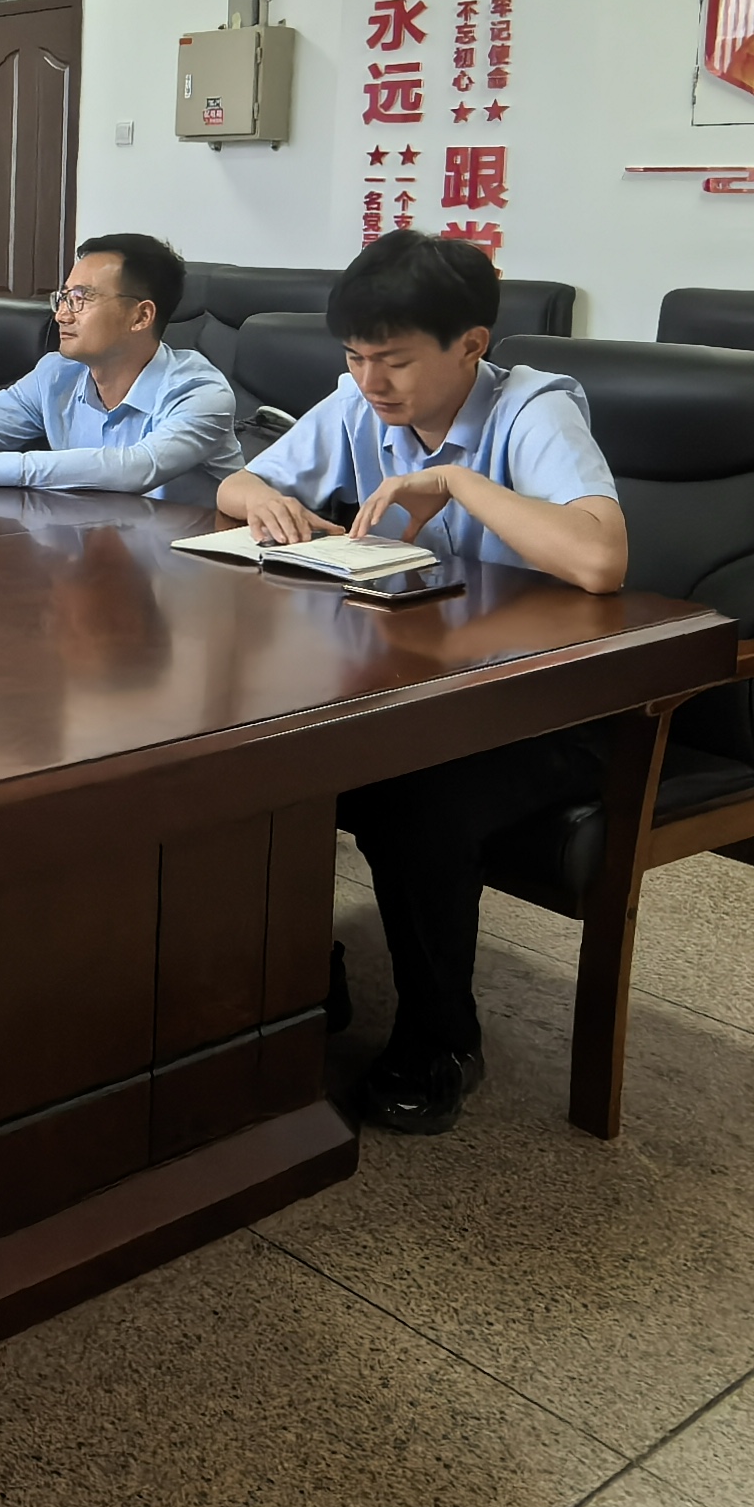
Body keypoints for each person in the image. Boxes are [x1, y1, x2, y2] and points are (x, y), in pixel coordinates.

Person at [216, 231, 627, 1136]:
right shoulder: (358, 399)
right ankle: (299, 975)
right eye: (354, 358)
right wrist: (267, 501)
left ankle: (442, 1038)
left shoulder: (534, 409)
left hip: (553, 706)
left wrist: (457, 482)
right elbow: (238, 485)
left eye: (393, 361)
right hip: (426, 684)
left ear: (471, 345)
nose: (370, 382)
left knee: (414, 801)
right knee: (258, 755)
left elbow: (601, 561)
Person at [0, 232, 239, 493]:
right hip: (91, 550)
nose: (62, 315)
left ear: (141, 316)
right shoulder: (57, 375)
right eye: (64, 297)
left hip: (189, 562)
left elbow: (137, 467)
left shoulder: (198, 390)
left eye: (81, 299)